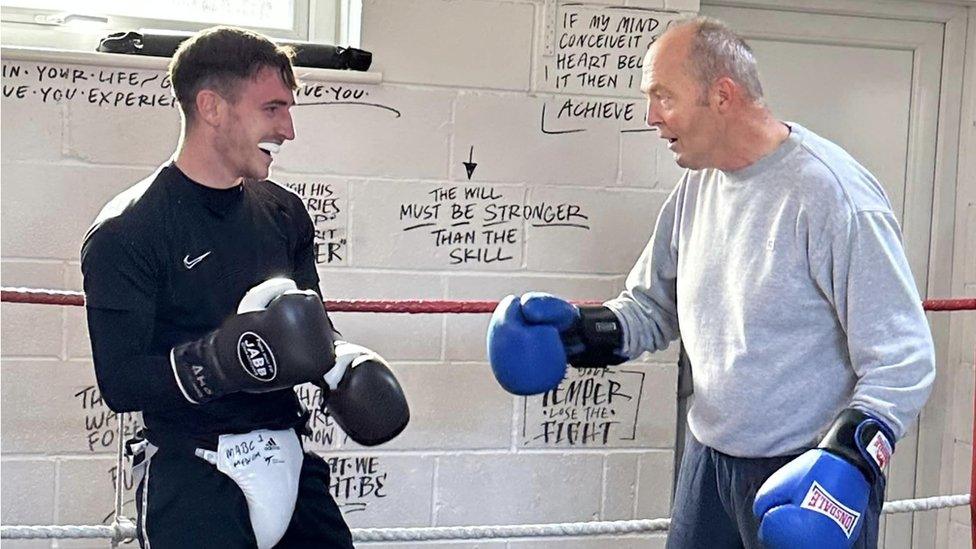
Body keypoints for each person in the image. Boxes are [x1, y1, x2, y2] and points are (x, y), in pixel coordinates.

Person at [487, 16, 935, 549]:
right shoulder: (697, 187)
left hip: (805, 474)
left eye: (663, 97)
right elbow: (652, 308)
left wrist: (850, 459)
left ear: (722, 95)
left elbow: (903, 359)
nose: (651, 117)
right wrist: (579, 332)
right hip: (709, 463)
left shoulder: (832, 195)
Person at [81, 26, 409, 549]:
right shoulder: (129, 230)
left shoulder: (284, 213)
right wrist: (218, 359)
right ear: (212, 106)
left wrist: (342, 362)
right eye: (273, 109)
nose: (289, 129)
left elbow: (309, 324)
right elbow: (120, 383)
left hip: (290, 456)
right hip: (194, 469)